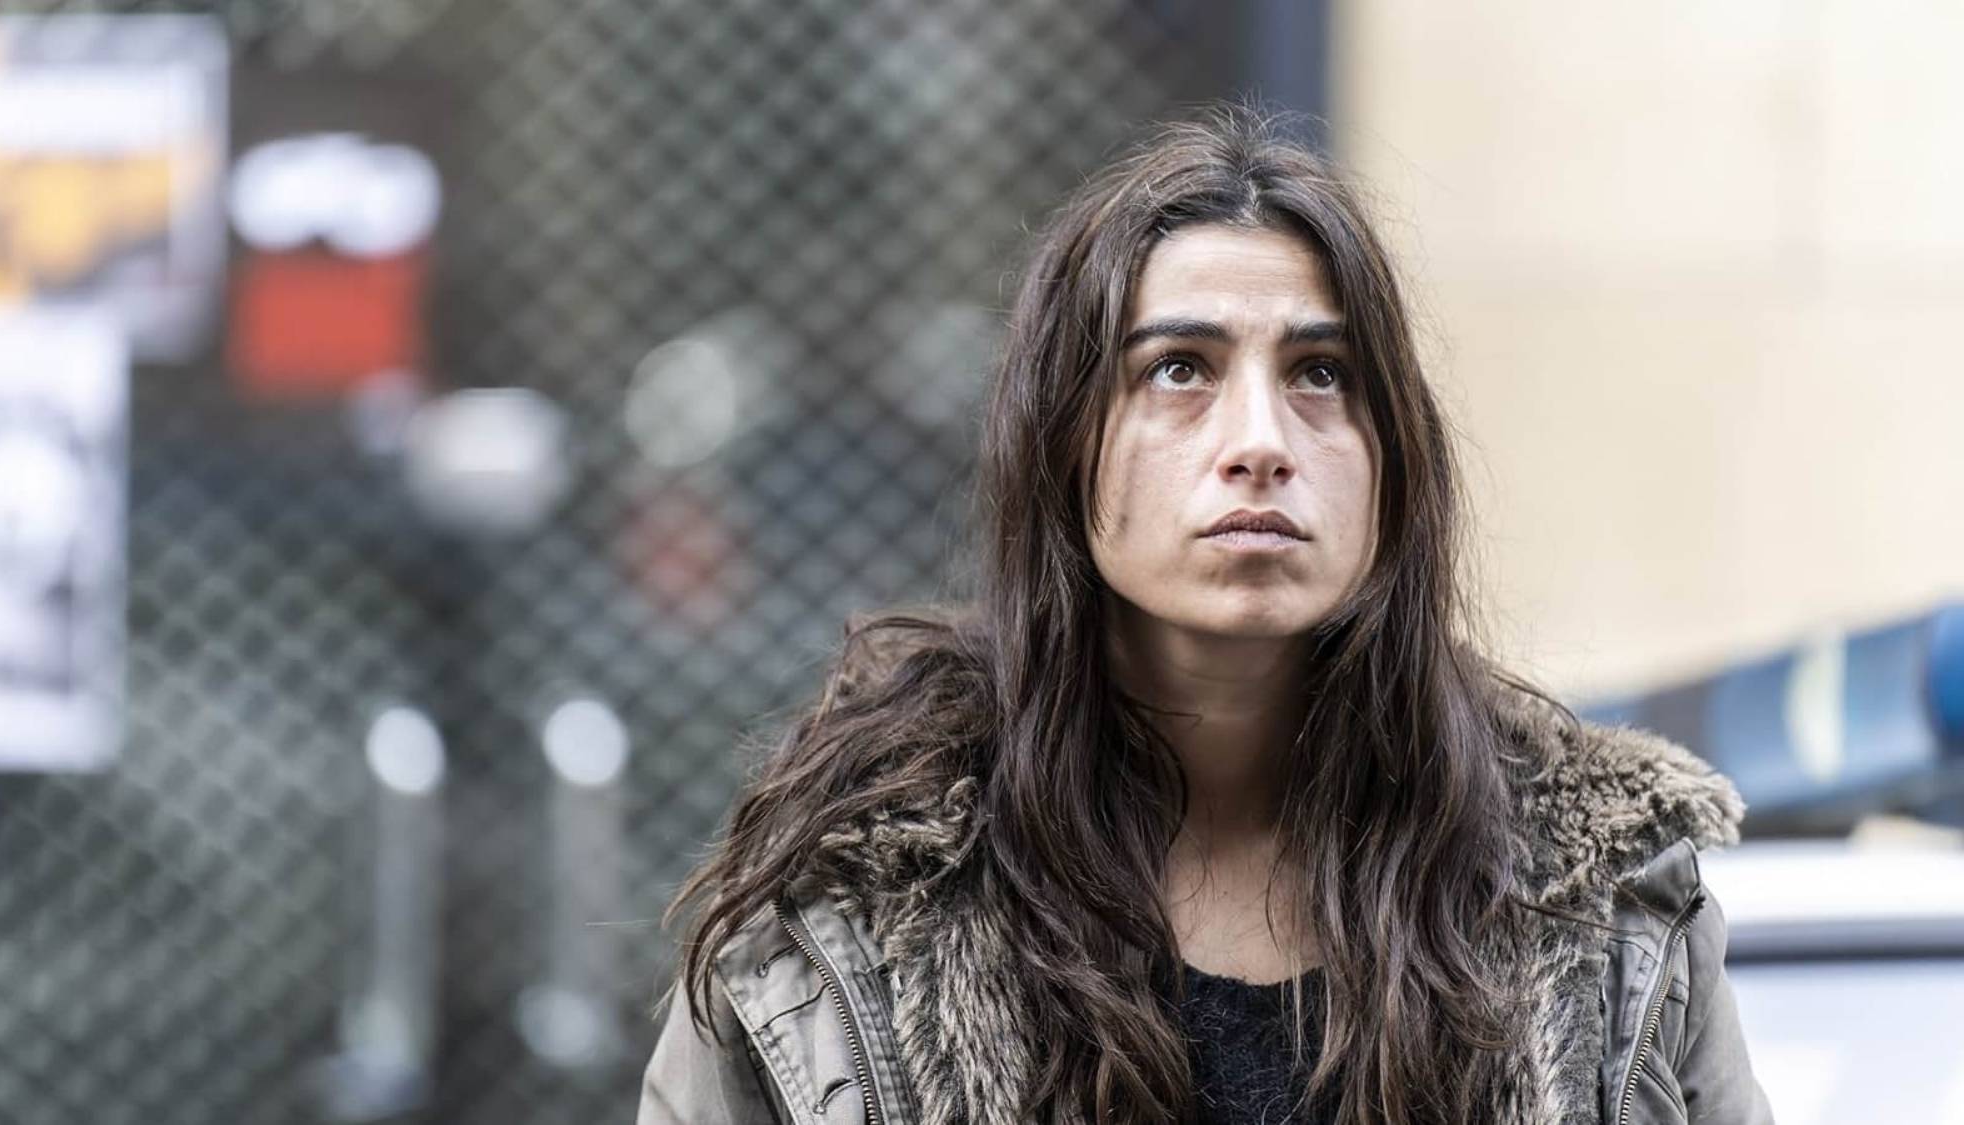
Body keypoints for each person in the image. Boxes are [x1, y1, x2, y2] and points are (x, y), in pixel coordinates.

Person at [638, 104, 1774, 1125]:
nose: (1260, 443)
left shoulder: (1598, 897)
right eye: (1179, 369)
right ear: (1064, 443)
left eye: (1321, 374)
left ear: (1392, 459)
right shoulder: (846, 902)